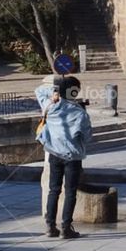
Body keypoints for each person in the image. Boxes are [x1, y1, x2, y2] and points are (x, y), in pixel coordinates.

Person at [36, 75, 92, 239]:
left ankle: (50, 226)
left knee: (54, 190)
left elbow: (38, 90)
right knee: (70, 192)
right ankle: (66, 227)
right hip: (72, 157)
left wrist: (54, 94)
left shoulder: (50, 107)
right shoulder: (80, 114)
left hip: (54, 154)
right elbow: (88, 137)